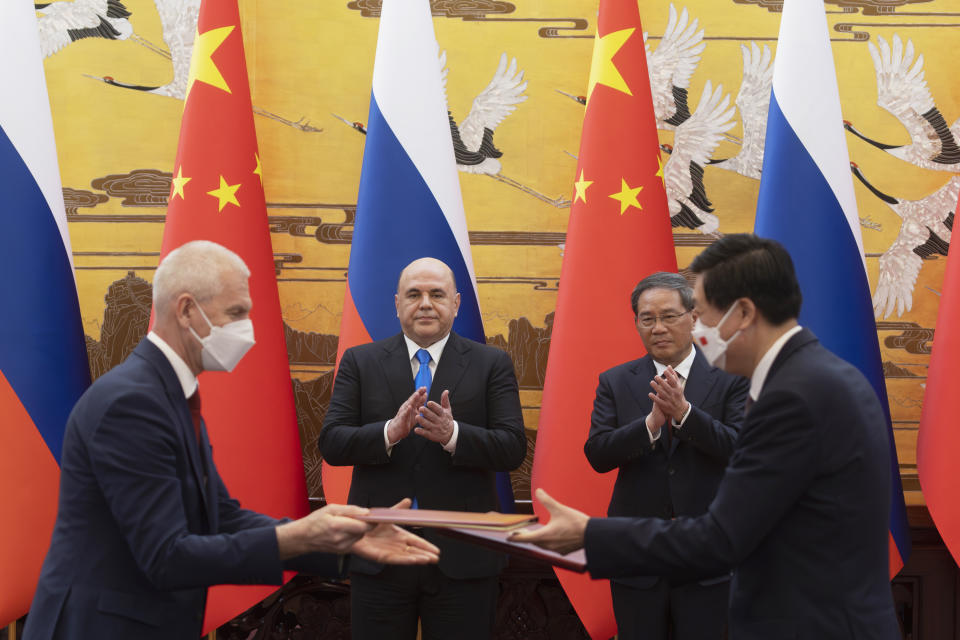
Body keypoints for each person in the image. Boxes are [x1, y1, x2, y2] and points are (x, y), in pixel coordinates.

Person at [23, 241, 439, 640]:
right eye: (236, 313)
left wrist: (345, 544)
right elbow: (165, 556)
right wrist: (301, 536)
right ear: (187, 310)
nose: (249, 331)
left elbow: (221, 517)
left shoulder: (172, 393)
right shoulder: (131, 402)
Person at [513, 234, 900, 639]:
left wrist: (590, 534)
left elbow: (722, 536)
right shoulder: (821, 376)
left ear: (743, 313)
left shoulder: (792, 395)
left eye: (701, 313)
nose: (698, 329)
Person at [319, 257, 526, 640]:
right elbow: (332, 443)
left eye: (437, 294)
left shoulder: (491, 363)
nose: (426, 304)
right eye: (414, 294)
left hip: (463, 557)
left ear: (457, 303)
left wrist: (453, 435)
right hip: (380, 553)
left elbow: (512, 448)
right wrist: (388, 432)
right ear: (397, 303)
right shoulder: (360, 362)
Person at [583, 271, 748, 640]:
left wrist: (685, 414)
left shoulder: (731, 377)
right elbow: (597, 453)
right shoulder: (615, 381)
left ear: (694, 317)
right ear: (637, 323)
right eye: (648, 318)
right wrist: (650, 425)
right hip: (636, 554)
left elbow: (742, 449)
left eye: (669, 316)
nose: (658, 327)